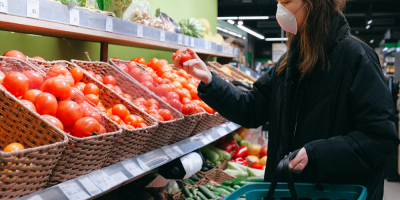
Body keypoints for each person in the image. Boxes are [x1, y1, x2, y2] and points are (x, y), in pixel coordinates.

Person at [173, 0, 399, 199]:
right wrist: (210, 81)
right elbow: (251, 108)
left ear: (313, 4)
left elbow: (379, 137)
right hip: (291, 190)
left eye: (287, 1)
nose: (279, 10)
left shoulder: (356, 58)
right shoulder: (290, 62)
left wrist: (316, 154)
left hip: (336, 191)